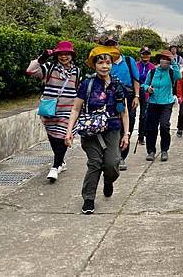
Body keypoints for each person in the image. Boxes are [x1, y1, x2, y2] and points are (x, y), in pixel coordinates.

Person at [64, 46, 130, 215]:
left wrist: (127, 134)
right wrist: (69, 131)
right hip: (91, 131)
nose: (104, 66)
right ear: (94, 65)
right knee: (94, 163)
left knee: (112, 163)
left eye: (108, 62)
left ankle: (108, 181)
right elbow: (76, 109)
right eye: (100, 62)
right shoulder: (87, 84)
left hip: (113, 130)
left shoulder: (117, 86)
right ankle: (88, 199)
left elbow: (124, 111)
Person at [26, 41, 81, 183]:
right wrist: (41, 59)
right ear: (57, 55)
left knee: (63, 136)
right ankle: (61, 161)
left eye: (67, 54)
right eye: (61, 54)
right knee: (52, 136)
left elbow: (78, 90)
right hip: (49, 109)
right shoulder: (49, 67)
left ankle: (55, 167)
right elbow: (30, 71)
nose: (64, 57)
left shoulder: (77, 71)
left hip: (68, 110)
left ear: (71, 56)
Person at [102, 35, 140, 171]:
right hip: (110, 97)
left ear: (118, 46)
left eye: (114, 44)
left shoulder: (129, 61)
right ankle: (112, 154)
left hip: (128, 96)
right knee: (111, 124)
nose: (112, 47)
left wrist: (136, 96)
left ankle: (122, 156)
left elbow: (136, 80)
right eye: (109, 45)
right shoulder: (105, 62)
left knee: (127, 126)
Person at [142, 50, 182, 162]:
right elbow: (144, 84)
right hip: (153, 103)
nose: (164, 61)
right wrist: (147, 89)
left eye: (167, 59)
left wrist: (173, 61)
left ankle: (164, 150)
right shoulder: (153, 72)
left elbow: (179, 76)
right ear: (159, 60)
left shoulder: (171, 72)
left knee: (164, 126)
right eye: (163, 59)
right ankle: (151, 151)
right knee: (151, 128)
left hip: (166, 103)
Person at [136, 46, 156, 145]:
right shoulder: (136, 65)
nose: (145, 56)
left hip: (146, 92)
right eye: (143, 54)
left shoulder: (152, 67)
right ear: (140, 54)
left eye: (147, 54)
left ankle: (141, 136)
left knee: (144, 115)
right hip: (136, 91)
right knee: (131, 114)